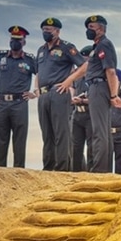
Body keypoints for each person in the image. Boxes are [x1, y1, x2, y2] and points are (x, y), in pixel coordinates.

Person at [34, 17, 87, 171]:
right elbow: (38, 73)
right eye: (44, 30)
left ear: (57, 31)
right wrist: (36, 89)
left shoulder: (66, 47)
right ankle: (48, 168)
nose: (46, 33)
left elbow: (84, 66)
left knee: (61, 133)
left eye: (49, 30)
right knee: (47, 133)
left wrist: (68, 81)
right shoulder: (41, 50)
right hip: (43, 95)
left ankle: (62, 169)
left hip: (59, 92)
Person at [0, 25, 36, 167]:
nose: (15, 42)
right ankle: (0, 172)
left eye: (18, 39)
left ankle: (19, 172)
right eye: (13, 39)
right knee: (0, 140)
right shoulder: (0, 56)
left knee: (19, 141)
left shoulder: (30, 60)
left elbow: (41, 75)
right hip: (1, 103)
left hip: (20, 104)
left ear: (24, 42)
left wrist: (35, 92)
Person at [84, 15, 121, 173]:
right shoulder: (97, 46)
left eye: (92, 27)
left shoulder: (104, 45)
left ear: (101, 29)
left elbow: (111, 71)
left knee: (99, 131)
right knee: (103, 130)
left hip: (100, 87)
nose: (88, 30)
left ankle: (99, 170)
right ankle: (103, 168)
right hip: (96, 88)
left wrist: (114, 96)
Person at [71, 45, 94, 172]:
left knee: (91, 147)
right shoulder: (77, 76)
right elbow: (72, 90)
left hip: (90, 114)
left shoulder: (96, 77)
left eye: (85, 60)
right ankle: (76, 173)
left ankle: (91, 173)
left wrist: (83, 100)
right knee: (76, 147)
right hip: (77, 115)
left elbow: (99, 100)